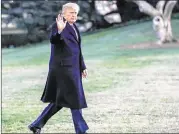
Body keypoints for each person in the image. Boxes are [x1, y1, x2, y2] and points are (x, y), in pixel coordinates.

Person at [28, 2, 89, 134]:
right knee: (75, 98)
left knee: (60, 100)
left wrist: (82, 66)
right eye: (71, 12)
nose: (74, 15)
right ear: (63, 14)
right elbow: (54, 40)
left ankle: (36, 125)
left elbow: (77, 49)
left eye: (75, 13)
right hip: (63, 69)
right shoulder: (59, 25)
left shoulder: (74, 27)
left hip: (73, 68)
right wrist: (60, 30)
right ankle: (81, 131)